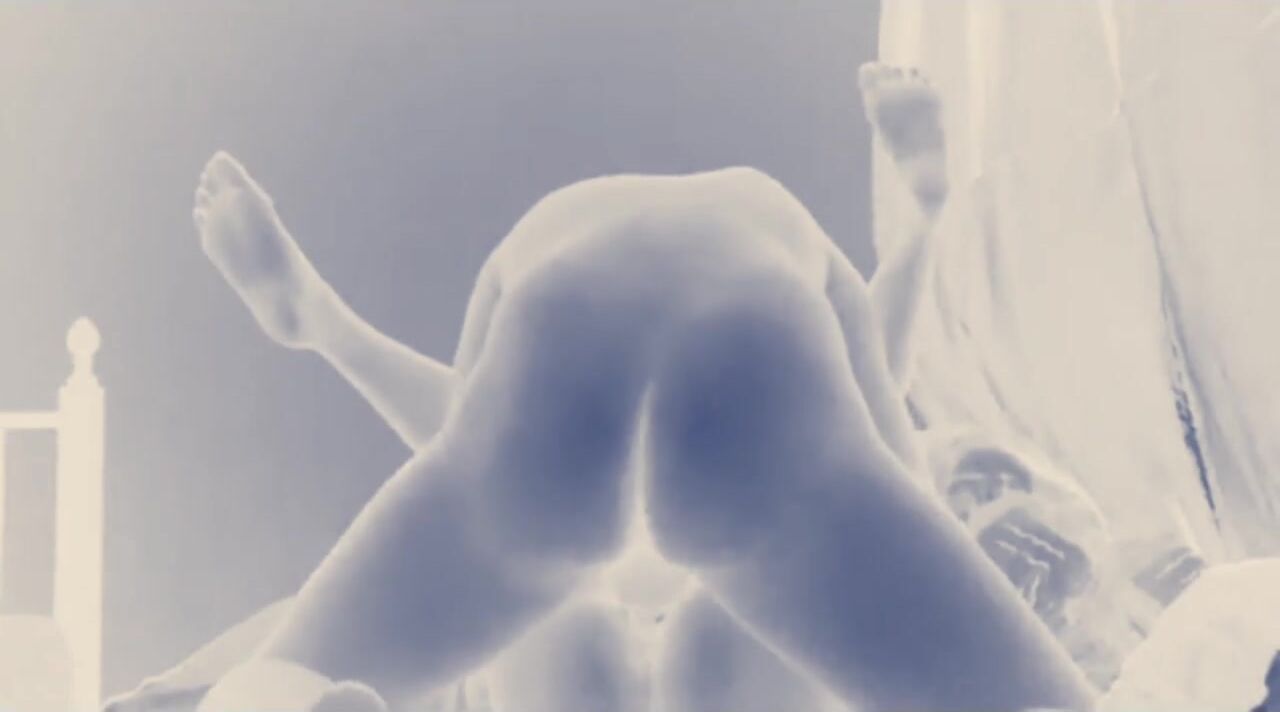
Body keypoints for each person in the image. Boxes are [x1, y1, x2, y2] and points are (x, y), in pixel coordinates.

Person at [122, 62, 1095, 712]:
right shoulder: (813, 553)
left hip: (578, 313)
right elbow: (884, 419)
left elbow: (466, 450)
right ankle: (324, 331)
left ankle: (324, 328)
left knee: (504, 521)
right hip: (705, 361)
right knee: (593, 560)